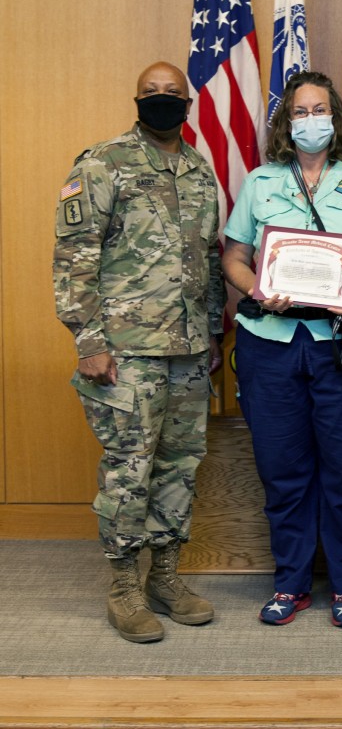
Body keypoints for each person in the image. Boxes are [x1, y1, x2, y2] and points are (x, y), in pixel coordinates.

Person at [53, 61, 225, 643]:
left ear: (189, 101)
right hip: (125, 354)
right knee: (130, 470)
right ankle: (125, 588)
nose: (160, 100)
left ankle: (165, 579)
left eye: (171, 94)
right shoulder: (102, 163)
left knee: (179, 466)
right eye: (151, 93)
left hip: (189, 352)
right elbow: (75, 258)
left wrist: (214, 336)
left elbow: (207, 261)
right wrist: (90, 340)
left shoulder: (201, 173)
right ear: (135, 99)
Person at [222, 71, 342, 627]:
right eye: (299, 112)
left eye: (318, 109)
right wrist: (256, 290)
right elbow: (234, 257)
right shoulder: (259, 182)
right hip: (271, 343)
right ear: (286, 122)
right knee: (283, 469)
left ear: (336, 118)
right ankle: (292, 583)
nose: (309, 121)